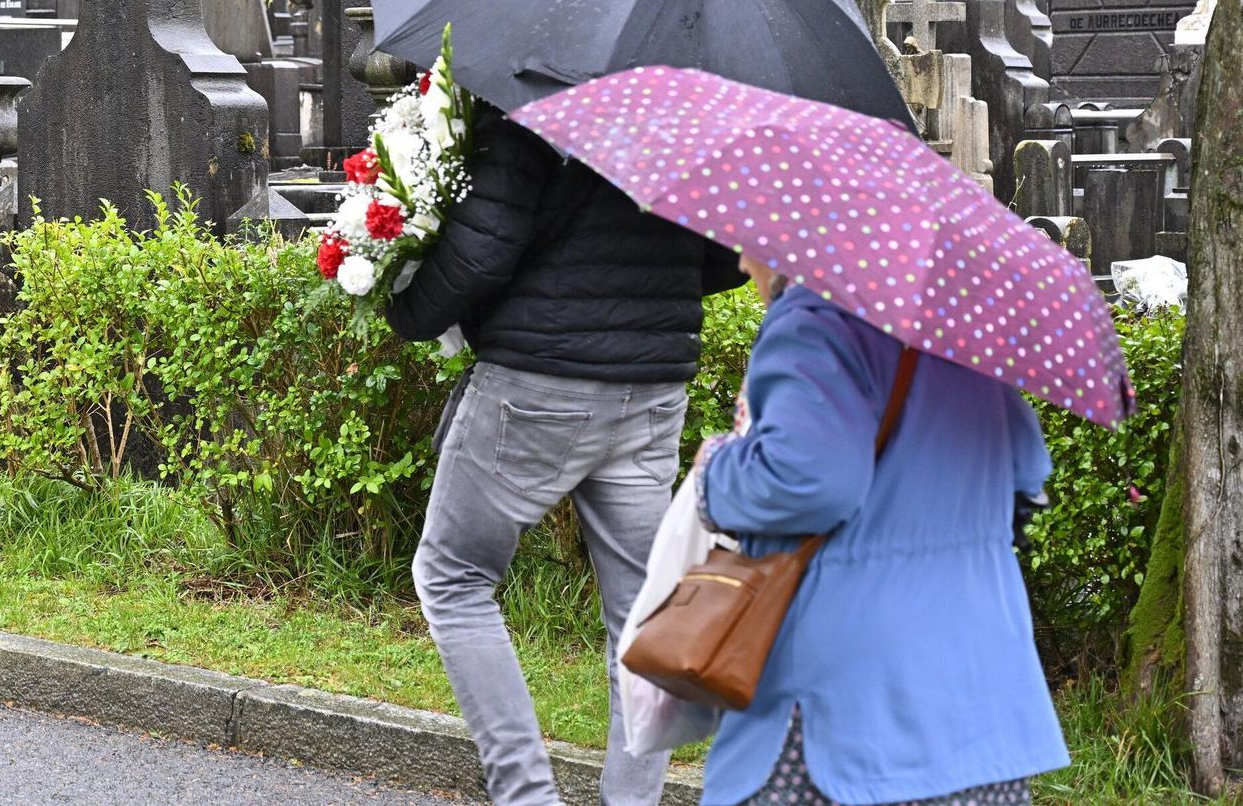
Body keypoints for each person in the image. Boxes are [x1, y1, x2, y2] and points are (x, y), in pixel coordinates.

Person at [386, 109, 745, 806]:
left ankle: (527, 796)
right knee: (641, 614)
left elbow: (484, 248)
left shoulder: (536, 91)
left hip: (540, 381)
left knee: (452, 575)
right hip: (654, 381)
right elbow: (729, 251)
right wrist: (638, 294)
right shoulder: (682, 104)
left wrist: (406, 311)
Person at [693, 255, 1069, 805]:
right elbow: (1028, 472)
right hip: (980, 698)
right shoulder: (958, 323)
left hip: (847, 708)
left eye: (741, 240)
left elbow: (810, 481)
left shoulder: (815, 320)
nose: (739, 256)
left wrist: (717, 468)